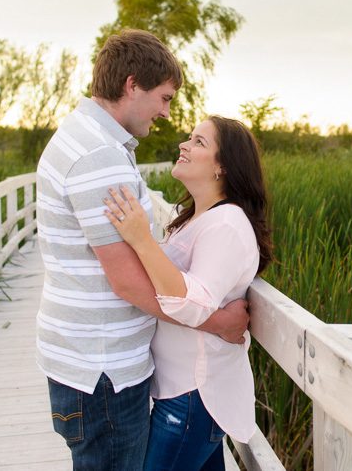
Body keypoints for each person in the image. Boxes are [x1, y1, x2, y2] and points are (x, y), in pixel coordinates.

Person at [35, 30, 249, 471]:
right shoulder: (98, 155)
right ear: (132, 85)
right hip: (103, 369)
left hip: (92, 361)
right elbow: (127, 281)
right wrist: (218, 322)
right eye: (165, 98)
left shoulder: (95, 141)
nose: (166, 113)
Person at [103, 115, 272, 471]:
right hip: (180, 390)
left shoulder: (226, 224)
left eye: (199, 142)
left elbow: (192, 302)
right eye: (190, 138)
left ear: (222, 167)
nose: (184, 144)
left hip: (195, 395)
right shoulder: (194, 218)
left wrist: (141, 238)